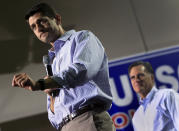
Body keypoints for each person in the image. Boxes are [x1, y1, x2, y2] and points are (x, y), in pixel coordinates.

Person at [11, 2, 115, 131]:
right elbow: (55, 112)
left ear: (57, 19)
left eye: (41, 21)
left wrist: (39, 84)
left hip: (86, 120)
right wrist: (50, 93)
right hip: (64, 126)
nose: (38, 28)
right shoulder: (53, 61)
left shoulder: (81, 37)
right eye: (33, 27)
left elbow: (80, 72)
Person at [128, 61, 179, 131]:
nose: (136, 79)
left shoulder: (167, 96)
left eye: (140, 75)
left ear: (152, 77)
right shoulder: (136, 117)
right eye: (132, 77)